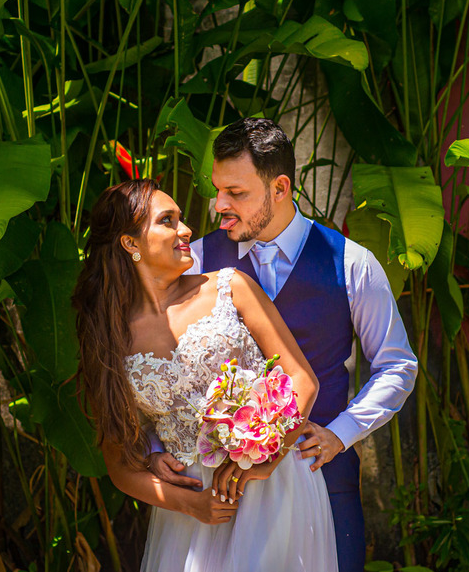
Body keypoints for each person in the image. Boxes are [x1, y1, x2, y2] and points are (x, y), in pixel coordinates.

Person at [147, 117, 419, 572]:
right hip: (214, 497)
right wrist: (156, 448)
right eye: (217, 190)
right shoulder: (193, 263)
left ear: (280, 188)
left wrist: (341, 434)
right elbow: (159, 362)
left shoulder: (352, 264)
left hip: (322, 480)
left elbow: (397, 364)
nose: (219, 206)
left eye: (237, 193)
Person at [74, 179, 338, 571]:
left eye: (181, 219)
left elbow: (301, 380)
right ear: (130, 244)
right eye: (168, 221)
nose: (186, 230)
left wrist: (269, 455)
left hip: (276, 486)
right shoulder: (107, 338)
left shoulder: (231, 288)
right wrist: (189, 503)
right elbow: (121, 466)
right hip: (193, 508)